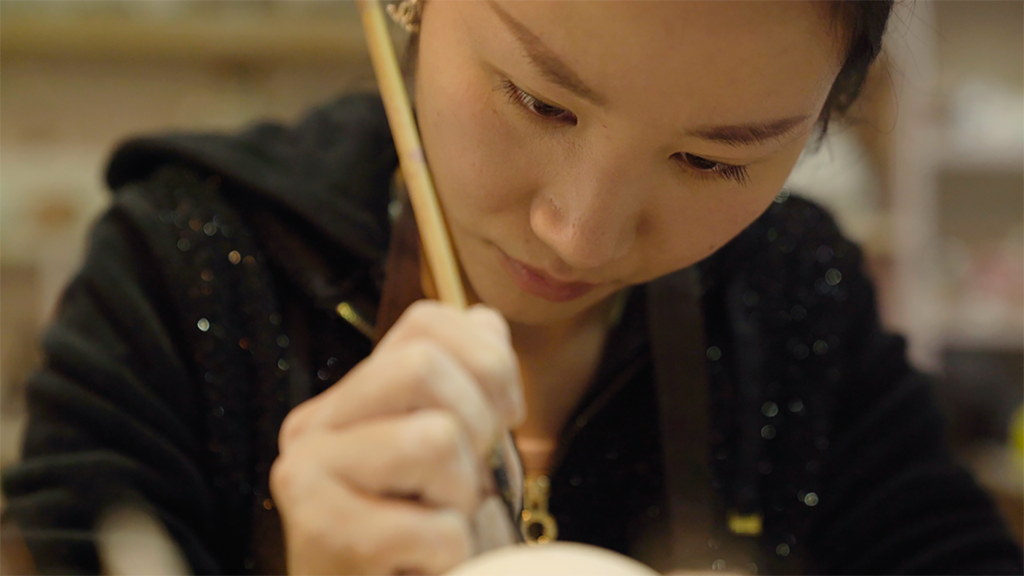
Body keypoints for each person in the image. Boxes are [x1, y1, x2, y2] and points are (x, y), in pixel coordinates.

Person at [3, 0, 1023, 574]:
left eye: (712, 161)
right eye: (538, 100)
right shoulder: (185, 261)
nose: (577, 234)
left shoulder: (794, 294)